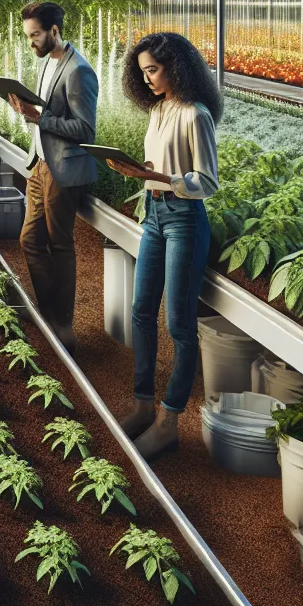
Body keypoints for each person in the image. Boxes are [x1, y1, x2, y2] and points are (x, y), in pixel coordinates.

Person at [103, 31, 222, 459]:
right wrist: (138, 172)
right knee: (140, 311)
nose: (148, 79)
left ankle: (169, 421)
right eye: (142, 72)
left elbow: (206, 182)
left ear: (176, 66)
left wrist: (153, 178)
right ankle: (142, 404)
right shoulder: (158, 110)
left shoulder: (196, 114)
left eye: (153, 69)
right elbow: (159, 167)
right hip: (153, 215)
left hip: (183, 219)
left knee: (179, 325)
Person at [5, 0, 98, 350]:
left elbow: (86, 130)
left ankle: (64, 326)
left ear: (55, 31)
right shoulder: (47, 62)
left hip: (63, 169)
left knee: (60, 245)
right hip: (41, 164)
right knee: (29, 239)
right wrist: (26, 110)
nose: (31, 42)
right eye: (28, 35)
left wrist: (39, 118)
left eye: (36, 35)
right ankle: (49, 313)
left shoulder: (79, 71)